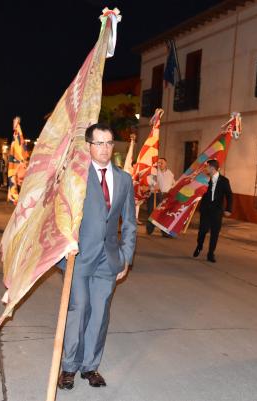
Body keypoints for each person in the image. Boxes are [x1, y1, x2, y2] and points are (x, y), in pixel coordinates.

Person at [57, 123, 136, 390]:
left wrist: (125, 257)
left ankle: (90, 366)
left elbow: (129, 224)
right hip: (78, 256)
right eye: (99, 143)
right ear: (89, 146)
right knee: (79, 310)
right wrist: (65, 242)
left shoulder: (124, 179)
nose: (104, 149)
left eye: (109, 143)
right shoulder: (75, 176)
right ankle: (69, 366)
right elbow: (60, 214)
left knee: (100, 314)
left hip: (109, 259)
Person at [193, 159, 233, 263]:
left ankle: (211, 253)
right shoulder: (204, 179)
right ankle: (199, 245)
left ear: (212, 168)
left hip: (217, 210)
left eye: (206, 167)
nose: (205, 168)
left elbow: (229, 195)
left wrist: (228, 209)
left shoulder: (224, 180)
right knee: (202, 230)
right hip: (205, 209)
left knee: (215, 233)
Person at [146, 157, 175, 235]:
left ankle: (164, 232)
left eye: (162, 162)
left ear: (166, 164)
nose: (160, 164)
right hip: (155, 194)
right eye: (159, 163)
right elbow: (148, 180)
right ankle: (150, 229)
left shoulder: (170, 173)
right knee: (152, 212)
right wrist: (154, 184)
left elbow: (173, 184)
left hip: (165, 196)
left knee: (163, 214)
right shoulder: (154, 172)